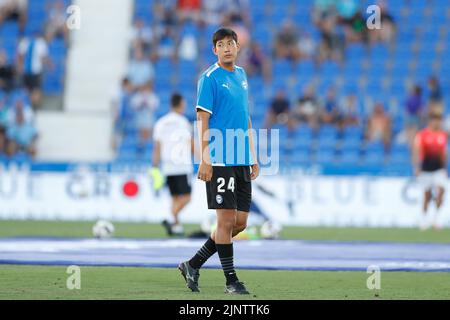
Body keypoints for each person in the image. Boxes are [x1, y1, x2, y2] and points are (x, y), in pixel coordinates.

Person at [178, 28, 259, 295]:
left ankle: (193, 264)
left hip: (241, 159)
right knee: (225, 222)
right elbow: (202, 120)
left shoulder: (242, 75)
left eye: (231, 43)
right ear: (215, 50)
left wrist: (253, 155)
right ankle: (231, 281)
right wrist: (205, 159)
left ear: (238, 47)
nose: (226, 48)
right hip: (221, 157)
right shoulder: (209, 78)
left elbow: (245, 117)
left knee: (241, 223)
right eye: (221, 44)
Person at [152, 93, 194, 236]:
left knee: (175, 197)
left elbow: (157, 146)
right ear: (181, 104)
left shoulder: (160, 123)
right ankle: (171, 218)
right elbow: (190, 143)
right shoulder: (183, 122)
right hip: (182, 165)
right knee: (187, 198)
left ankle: (176, 226)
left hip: (167, 166)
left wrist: (155, 165)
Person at [413, 110, 448, 231]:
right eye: (435, 120)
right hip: (425, 169)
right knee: (427, 195)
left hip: (438, 169)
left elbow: (443, 153)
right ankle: (424, 218)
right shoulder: (423, 134)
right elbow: (417, 151)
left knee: (442, 190)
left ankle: (437, 218)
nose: (437, 123)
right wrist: (417, 167)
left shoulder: (442, 135)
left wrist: (444, 168)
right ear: (430, 121)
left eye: (439, 120)